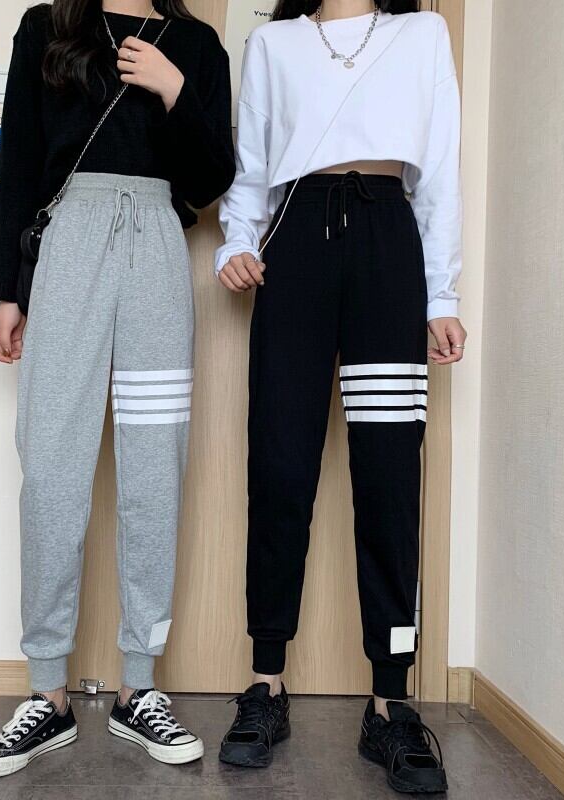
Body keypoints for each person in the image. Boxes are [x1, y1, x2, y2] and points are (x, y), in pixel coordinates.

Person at [0, 0, 234, 777]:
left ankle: (138, 686)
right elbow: (19, 161)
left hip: (158, 250)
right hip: (69, 245)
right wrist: (8, 291)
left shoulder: (196, 45)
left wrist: (174, 88)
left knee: (155, 469)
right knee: (51, 467)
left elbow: (211, 179)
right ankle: (46, 693)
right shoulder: (47, 26)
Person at [215, 0, 465, 793]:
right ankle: (266, 683)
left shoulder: (422, 33)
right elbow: (251, 162)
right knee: (280, 468)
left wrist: (441, 295)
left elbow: (441, 166)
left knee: (389, 475)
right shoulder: (274, 42)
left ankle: (390, 701)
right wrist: (235, 240)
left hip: (390, 243)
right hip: (293, 242)